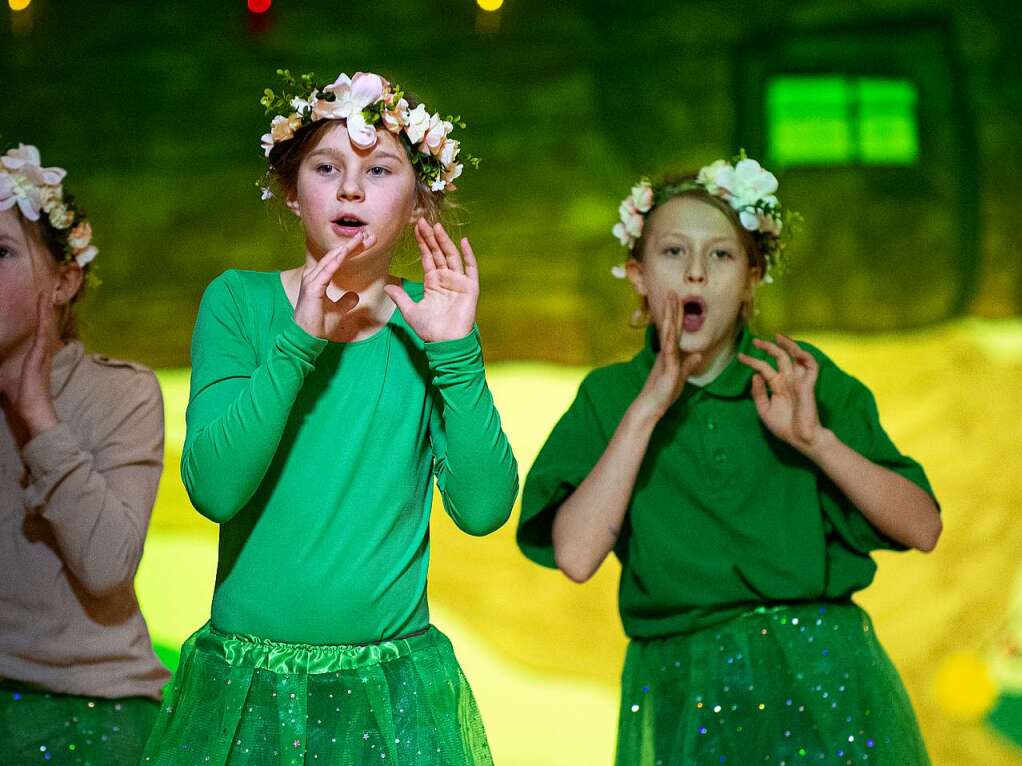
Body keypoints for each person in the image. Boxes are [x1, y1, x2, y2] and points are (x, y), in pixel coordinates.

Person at [140, 70, 518, 766]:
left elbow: (485, 508)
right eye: (326, 167)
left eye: (379, 170)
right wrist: (298, 341)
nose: (351, 189)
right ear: (291, 188)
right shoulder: (238, 304)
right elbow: (215, 488)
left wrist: (456, 353)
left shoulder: (431, 324)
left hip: (390, 684)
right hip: (248, 682)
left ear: (417, 200)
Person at [517, 155, 941, 765]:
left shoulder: (796, 379)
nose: (694, 273)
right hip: (684, 685)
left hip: (822, 674)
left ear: (752, 276)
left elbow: (923, 527)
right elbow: (577, 557)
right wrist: (646, 412)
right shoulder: (610, 399)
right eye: (672, 253)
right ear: (637, 274)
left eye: (720, 255)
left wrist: (816, 440)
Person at [0, 143, 168, 763]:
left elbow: (105, 568)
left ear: (64, 281)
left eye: (1, 253)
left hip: (95, 710)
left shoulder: (119, 391)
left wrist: (37, 415)